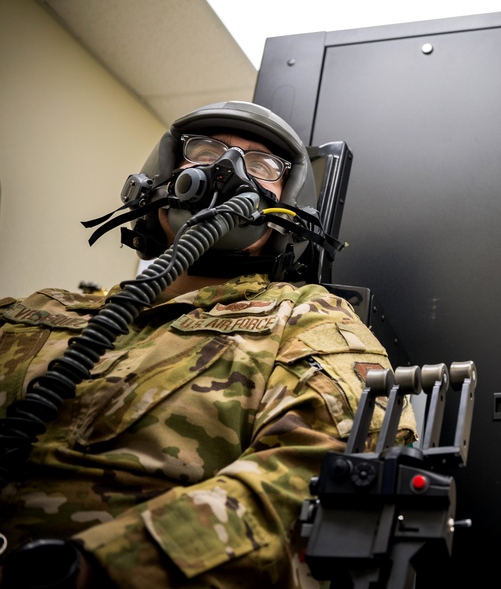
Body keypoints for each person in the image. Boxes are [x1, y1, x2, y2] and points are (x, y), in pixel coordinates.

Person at [0, 101, 418, 588]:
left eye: (263, 165)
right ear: (156, 183)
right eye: (205, 150)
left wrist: (96, 567)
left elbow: (326, 468)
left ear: (284, 213)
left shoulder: (306, 317)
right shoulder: (37, 309)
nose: (229, 169)